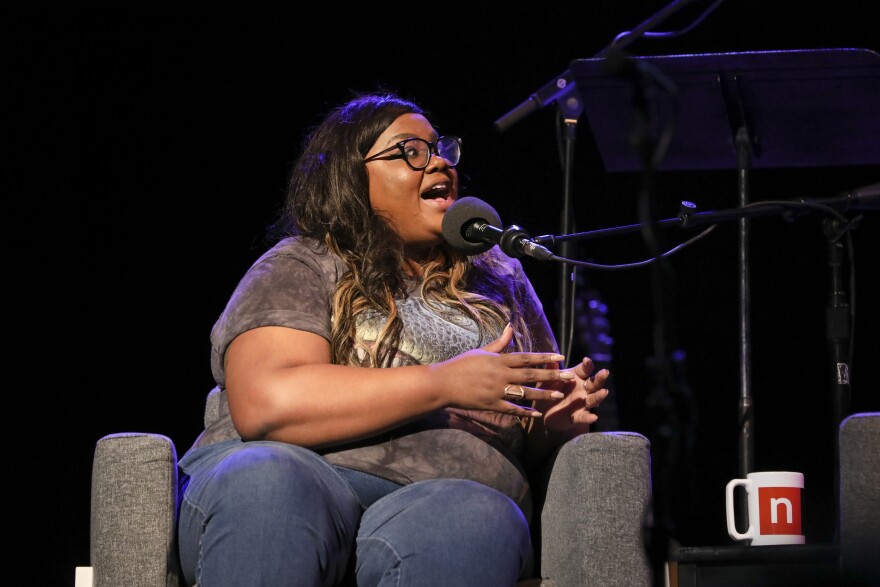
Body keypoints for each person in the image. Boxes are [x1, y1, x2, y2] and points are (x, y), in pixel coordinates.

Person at [176, 91, 610, 587]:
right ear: (349, 176)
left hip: (447, 495)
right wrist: (443, 384)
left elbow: (528, 426)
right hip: (298, 477)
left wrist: (554, 424)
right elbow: (269, 404)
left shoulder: (498, 278)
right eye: (412, 151)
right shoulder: (302, 262)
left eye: (441, 148)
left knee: (474, 514)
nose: (441, 161)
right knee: (272, 480)